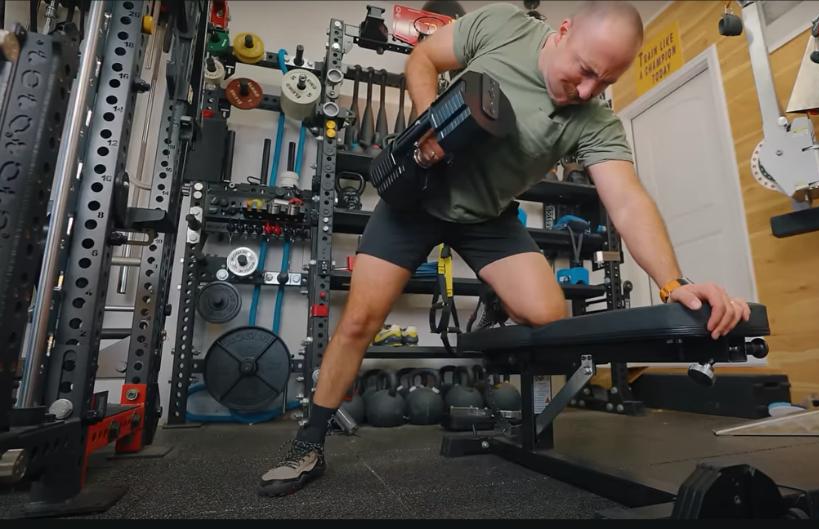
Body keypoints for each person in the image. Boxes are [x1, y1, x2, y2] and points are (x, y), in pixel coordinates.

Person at [259, 1, 751, 497]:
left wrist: (674, 283)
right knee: (361, 321)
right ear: (562, 32)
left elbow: (626, 199)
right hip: (417, 199)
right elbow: (423, 59)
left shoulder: (594, 120)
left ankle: (498, 300)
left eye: (604, 82)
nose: (587, 91)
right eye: (583, 71)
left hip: (487, 218)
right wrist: (430, 121)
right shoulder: (502, 26)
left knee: (549, 316)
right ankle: (309, 442)